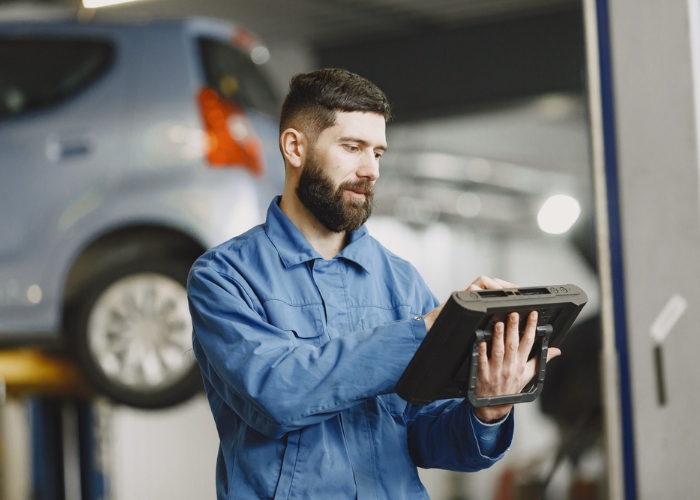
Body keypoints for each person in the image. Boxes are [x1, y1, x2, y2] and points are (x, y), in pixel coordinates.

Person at [187, 68, 560, 500]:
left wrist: (489, 410)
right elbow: (278, 395)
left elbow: (423, 432)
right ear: (294, 147)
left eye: (378, 153)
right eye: (352, 148)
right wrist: (423, 332)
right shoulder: (224, 277)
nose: (370, 170)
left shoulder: (400, 281)